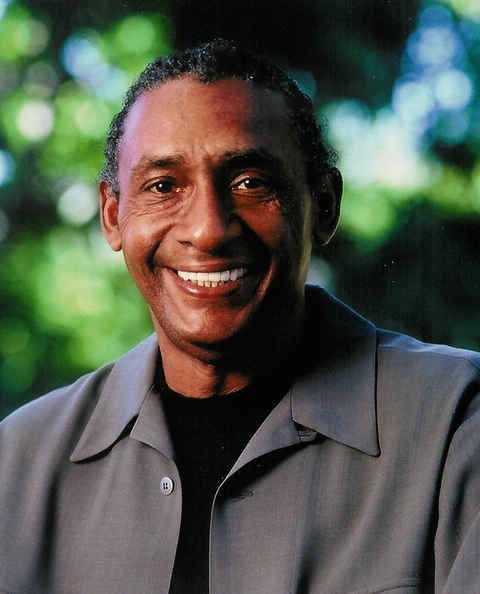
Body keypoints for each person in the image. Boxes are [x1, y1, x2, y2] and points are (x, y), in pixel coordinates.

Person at [0, 39, 479, 594]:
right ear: (113, 216)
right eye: (163, 186)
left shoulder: (455, 424)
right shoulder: (17, 463)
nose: (207, 230)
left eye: (251, 182)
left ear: (324, 205)